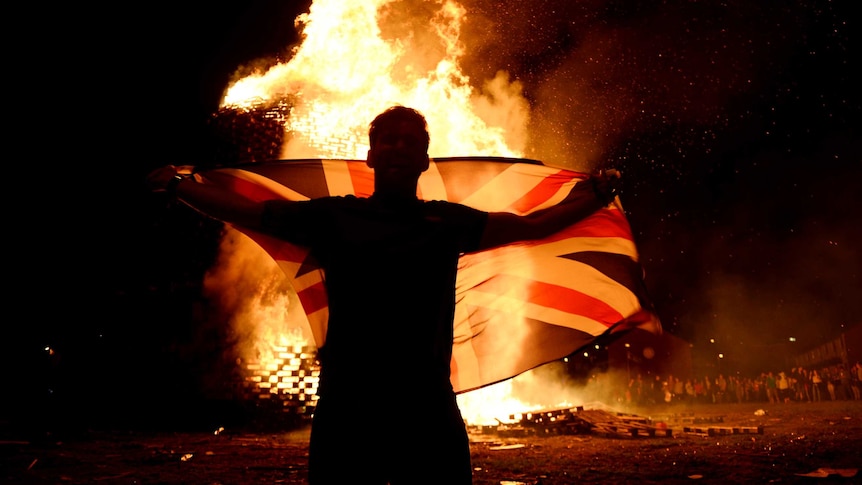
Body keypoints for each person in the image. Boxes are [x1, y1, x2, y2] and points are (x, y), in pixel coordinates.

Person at [147, 105, 621, 484]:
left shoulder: (448, 222)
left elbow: (532, 225)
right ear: (370, 156)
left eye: (409, 142)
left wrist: (594, 196)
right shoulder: (334, 217)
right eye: (387, 140)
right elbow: (249, 212)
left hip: (426, 399)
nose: (397, 148)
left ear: (423, 161)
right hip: (349, 400)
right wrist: (181, 185)